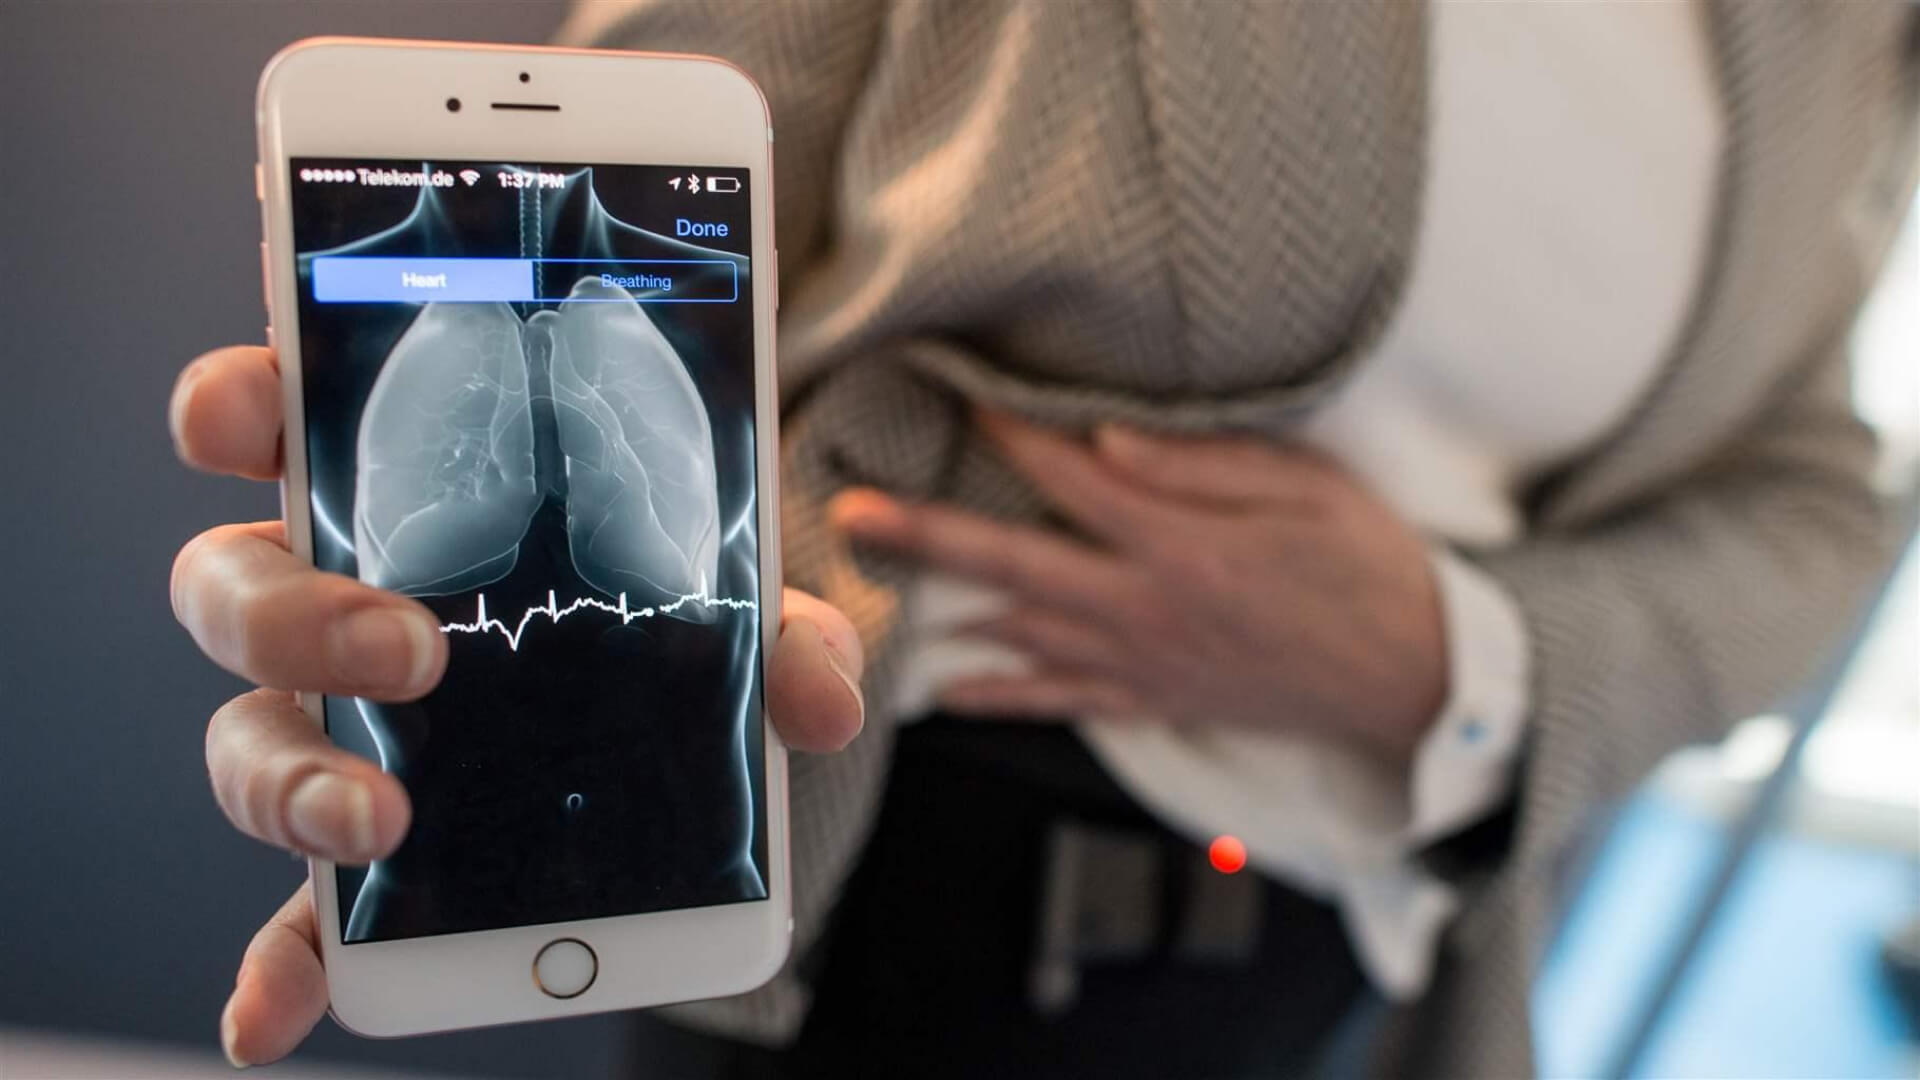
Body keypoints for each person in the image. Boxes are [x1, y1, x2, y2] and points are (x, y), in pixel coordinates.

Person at [172, 1, 1920, 1075]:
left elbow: (1817, 489)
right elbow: (602, 212)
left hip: (1388, 963)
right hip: (884, 895)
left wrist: (1473, 659)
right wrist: (475, 638)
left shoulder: (1841, 35)